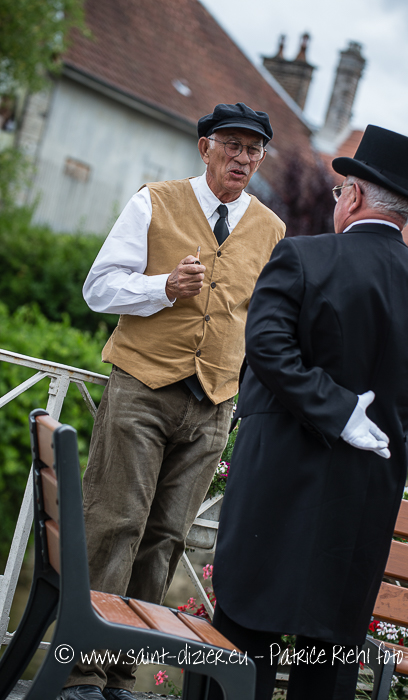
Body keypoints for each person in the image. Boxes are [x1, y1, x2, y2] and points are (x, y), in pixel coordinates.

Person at [210, 125, 408, 700]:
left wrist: (340, 413)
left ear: (354, 195)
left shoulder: (301, 256)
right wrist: (371, 442)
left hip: (275, 487)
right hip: (362, 500)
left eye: (342, 189)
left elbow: (266, 348)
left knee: (243, 640)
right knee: (329, 654)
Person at [61, 103, 285, 700]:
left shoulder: (271, 229)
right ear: (205, 147)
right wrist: (163, 287)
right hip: (142, 386)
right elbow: (98, 288)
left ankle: (119, 676)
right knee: (116, 524)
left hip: (214, 403)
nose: (242, 158)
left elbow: (266, 320)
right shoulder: (154, 202)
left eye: (253, 149)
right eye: (232, 144)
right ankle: (80, 673)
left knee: (165, 539)